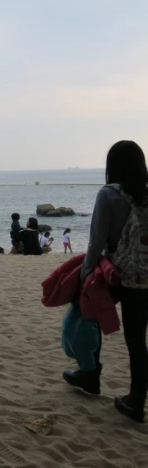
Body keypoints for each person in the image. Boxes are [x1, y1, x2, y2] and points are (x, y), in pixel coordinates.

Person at [71, 140, 148, 423]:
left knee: (87, 312)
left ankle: (91, 374)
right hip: (145, 277)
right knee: (137, 341)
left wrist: (85, 273)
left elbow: (97, 240)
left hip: (118, 272)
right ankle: (136, 400)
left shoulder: (108, 194)